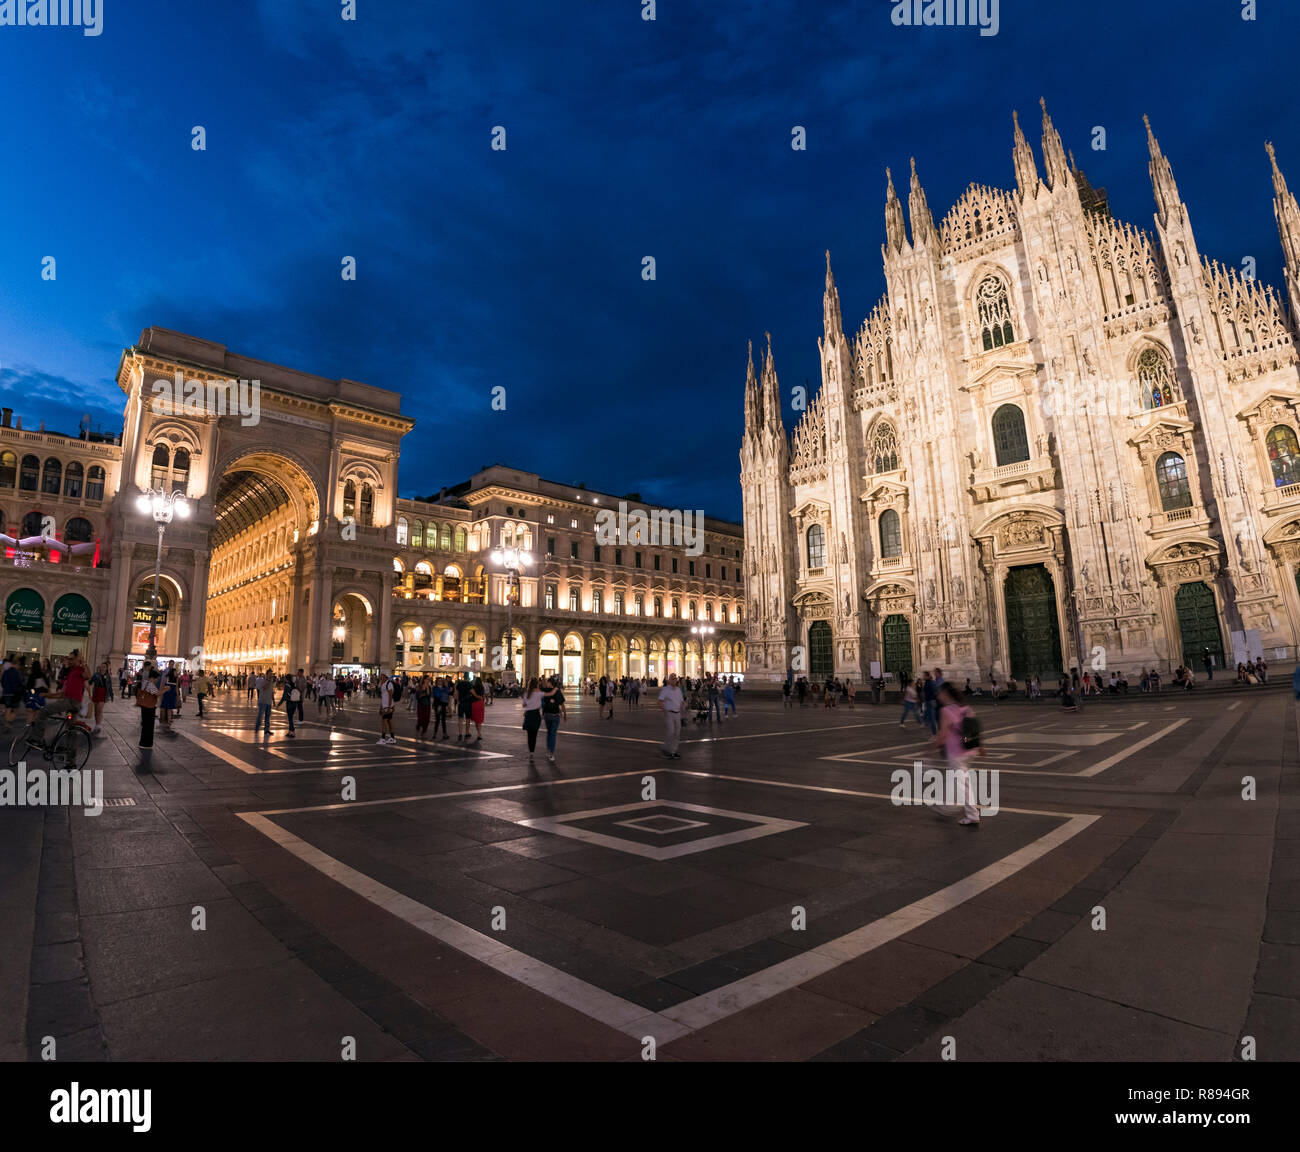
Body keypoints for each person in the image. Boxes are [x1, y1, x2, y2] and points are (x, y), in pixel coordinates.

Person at [931, 683, 986, 825]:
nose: (938, 696)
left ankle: (972, 814)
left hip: (956, 752)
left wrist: (931, 747)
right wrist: (980, 746)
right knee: (958, 779)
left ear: (945, 693)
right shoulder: (965, 707)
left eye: (939, 693)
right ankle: (946, 805)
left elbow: (943, 734)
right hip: (969, 750)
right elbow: (974, 729)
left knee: (962, 783)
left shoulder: (946, 711)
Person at [541, 676, 566, 762]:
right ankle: (550, 752)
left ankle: (550, 752)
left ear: (550, 683)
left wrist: (565, 713)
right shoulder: (553, 691)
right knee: (551, 734)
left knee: (551, 734)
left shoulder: (548, 691)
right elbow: (562, 703)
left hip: (552, 716)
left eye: (548, 682)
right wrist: (564, 714)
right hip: (550, 716)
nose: (546, 684)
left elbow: (562, 704)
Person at [659, 672, 684, 758]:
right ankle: (666, 749)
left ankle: (674, 750)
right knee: (671, 732)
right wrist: (664, 710)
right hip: (669, 713)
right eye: (672, 679)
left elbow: (681, 701)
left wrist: (682, 709)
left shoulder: (678, 690)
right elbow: (661, 700)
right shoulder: (665, 689)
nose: (674, 680)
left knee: (677, 733)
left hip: (677, 713)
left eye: (675, 679)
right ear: (669, 680)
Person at [520, 677, 544, 763]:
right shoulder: (539, 693)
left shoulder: (527, 694)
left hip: (529, 715)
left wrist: (529, 705)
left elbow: (523, 705)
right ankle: (532, 752)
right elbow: (547, 696)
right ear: (537, 684)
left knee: (529, 735)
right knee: (534, 735)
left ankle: (531, 753)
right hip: (536, 715)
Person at [89, 660, 111, 736]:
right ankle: (96, 725)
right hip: (96, 692)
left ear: (106, 668)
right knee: (95, 710)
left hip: (103, 693)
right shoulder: (96, 674)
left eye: (104, 667)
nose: (102, 668)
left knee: (99, 710)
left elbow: (109, 687)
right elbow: (90, 682)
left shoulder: (108, 676)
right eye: (101, 666)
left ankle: (99, 725)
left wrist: (110, 696)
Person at [377, 673, 396, 744]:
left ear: (385, 676)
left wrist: (389, 707)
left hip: (387, 706)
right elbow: (383, 697)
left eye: (382, 675)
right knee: (389, 721)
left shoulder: (389, 684)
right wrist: (380, 707)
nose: (380, 676)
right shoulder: (383, 684)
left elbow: (390, 696)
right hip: (385, 706)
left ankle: (383, 738)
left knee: (384, 721)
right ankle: (392, 738)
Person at [254, 669, 274, 736]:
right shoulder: (262, 681)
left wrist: (273, 701)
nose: (271, 675)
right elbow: (263, 688)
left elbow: (272, 692)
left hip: (268, 702)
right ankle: (257, 728)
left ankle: (267, 730)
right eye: (270, 674)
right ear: (267, 674)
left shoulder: (271, 682)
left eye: (272, 674)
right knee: (260, 716)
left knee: (268, 716)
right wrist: (268, 681)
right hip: (262, 701)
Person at [455, 673, 474, 741]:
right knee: (467, 719)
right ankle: (467, 732)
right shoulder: (469, 684)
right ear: (468, 678)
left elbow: (456, 694)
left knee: (460, 719)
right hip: (468, 703)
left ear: (463, 677)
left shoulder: (459, 684)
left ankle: (460, 733)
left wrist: (458, 701)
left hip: (461, 703)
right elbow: (472, 692)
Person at [469, 673, 486, 741]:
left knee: (477, 720)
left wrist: (475, 695)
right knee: (479, 720)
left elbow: (477, 696)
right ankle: (479, 733)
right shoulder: (482, 688)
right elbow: (483, 697)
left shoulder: (473, 688)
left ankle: (479, 733)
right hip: (481, 704)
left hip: (475, 704)